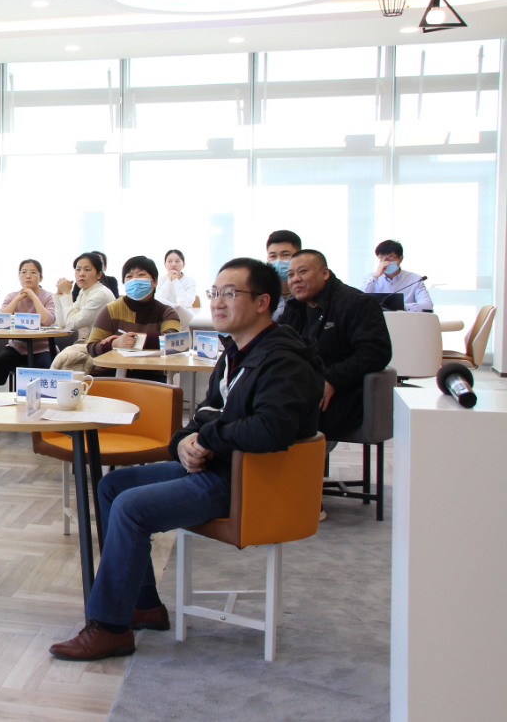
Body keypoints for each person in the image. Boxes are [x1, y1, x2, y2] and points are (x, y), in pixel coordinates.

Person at [49, 258, 323, 661]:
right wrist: (182, 442)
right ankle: (143, 604)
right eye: (215, 293)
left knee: (130, 506)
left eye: (230, 293)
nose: (218, 302)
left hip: (248, 479)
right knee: (112, 486)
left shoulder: (284, 359)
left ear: (263, 302)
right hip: (219, 465)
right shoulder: (236, 352)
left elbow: (271, 429)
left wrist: (207, 438)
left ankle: (109, 627)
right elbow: (204, 414)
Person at [279, 249, 392, 443]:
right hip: (301, 389)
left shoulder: (357, 303)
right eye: (290, 275)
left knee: (279, 418)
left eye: (303, 272)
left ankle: (299, 461)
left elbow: (375, 352)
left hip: (344, 392)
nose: (295, 279)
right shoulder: (294, 308)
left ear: (325, 273)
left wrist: (332, 380)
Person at [86, 256, 181, 381]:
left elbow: (173, 341)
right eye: (129, 276)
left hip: (151, 376)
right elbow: (92, 347)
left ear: (155, 281)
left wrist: (131, 340)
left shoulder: (166, 312)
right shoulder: (111, 309)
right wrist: (115, 343)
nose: (135, 280)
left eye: (141, 275)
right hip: (110, 374)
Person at [0, 259, 56, 387]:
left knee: (44, 374)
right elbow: (0, 320)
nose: (28, 276)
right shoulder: (12, 296)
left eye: (33, 272)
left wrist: (34, 297)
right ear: (19, 276)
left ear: (41, 278)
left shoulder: (49, 296)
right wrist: (17, 299)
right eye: (24, 272)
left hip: (42, 348)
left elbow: (48, 321)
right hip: (17, 347)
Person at [50, 252, 116, 372]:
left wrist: (66, 294)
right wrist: (58, 295)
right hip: (92, 341)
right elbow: (63, 324)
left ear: (99, 275)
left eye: (87, 269)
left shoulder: (100, 294)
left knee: (65, 357)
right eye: (78, 269)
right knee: (64, 358)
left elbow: (72, 324)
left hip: (105, 344)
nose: (81, 274)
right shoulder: (85, 291)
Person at [362, 239, 433, 312]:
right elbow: (360, 300)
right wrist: (375, 277)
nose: (385, 262)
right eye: (381, 258)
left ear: (400, 259)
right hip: (377, 318)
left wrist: (401, 307)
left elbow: (427, 305)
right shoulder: (370, 278)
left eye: (389, 258)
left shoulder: (415, 279)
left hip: (405, 317)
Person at [265, 229, 301, 321]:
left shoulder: (307, 292)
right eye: (273, 256)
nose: (279, 261)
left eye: (285, 255)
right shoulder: (261, 293)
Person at [156, 249, 197, 319]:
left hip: (183, 317)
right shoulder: (160, 280)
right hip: (164, 316)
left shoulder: (190, 281)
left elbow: (187, 303)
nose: (173, 264)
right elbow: (159, 301)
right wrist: (169, 280)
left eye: (177, 261)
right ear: (165, 265)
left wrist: (175, 280)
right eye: (170, 261)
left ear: (183, 265)